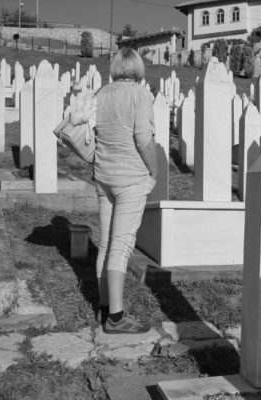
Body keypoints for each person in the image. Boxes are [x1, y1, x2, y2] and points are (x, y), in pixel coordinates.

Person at [94, 48, 157, 334]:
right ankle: (116, 318)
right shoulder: (140, 94)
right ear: (138, 68)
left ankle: (105, 306)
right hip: (130, 177)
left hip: (104, 175)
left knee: (106, 243)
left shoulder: (103, 94)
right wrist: (154, 168)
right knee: (121, 245)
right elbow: (143, 137)